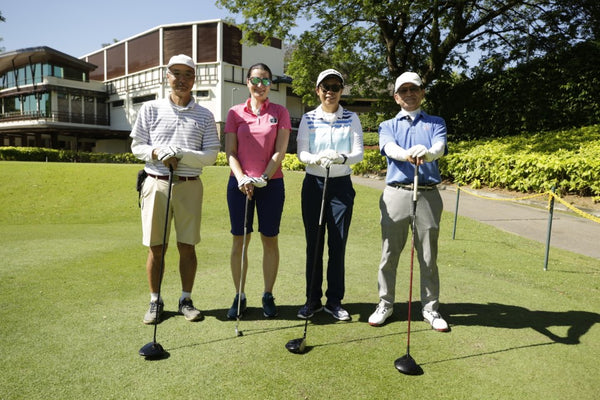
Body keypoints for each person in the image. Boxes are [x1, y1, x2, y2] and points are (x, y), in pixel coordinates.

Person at [131, 54, 221, 325]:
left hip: (189, 185)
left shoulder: (205, 115)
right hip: (156, 183)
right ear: (166, 76)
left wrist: (180, 154)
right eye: (176, 73)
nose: (181, 79)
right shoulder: (150, 109)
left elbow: (210, 155)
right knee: (156, 247)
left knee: (187, 246)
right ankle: (155, 301)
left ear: (195, 79)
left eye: (187, 74)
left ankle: (186, 299)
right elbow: (137, 147)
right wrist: (158, 152)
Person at [368, 71, 449, 332]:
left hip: (427, 193)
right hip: (396, 192)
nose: (409, 94)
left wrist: (427, 152)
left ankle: (430, 308)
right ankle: (385, 302)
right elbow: (389, 148)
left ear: (422, 92)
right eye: (403, 91)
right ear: (396, 97)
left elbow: (439, 147)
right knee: (390, 251)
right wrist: (406, 155)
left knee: (427, 254)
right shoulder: (388, 125)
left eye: (414, 89)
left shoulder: (436, 122)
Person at [296, 69, 364, 321]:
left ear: (341, 90)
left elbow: (358, 153)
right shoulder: (309, 118)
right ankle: (312, 300)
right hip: (314, 185)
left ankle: (334, 301)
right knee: (314, 245)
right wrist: (314, 158)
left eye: (335, 87)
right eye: (325, 87)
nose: (330, 92)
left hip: (341, 187)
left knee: (338, 245)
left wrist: (342, 157)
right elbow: (302, 151)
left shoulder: (351, 117)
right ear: (318, 90)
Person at [224, 63, 291, 319]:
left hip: (271, 183)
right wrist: (242, 178)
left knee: (269, 239)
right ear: (247, 82)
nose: (260, 85)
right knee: (240, 241)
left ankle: (267, 294)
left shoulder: (280, 112)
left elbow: (280, 151)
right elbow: (230, 151)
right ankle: (239, 295)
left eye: (265, 80)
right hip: (239, 184)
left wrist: (263, 177)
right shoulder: (234, 113)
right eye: (255, 80)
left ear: (270, 84)